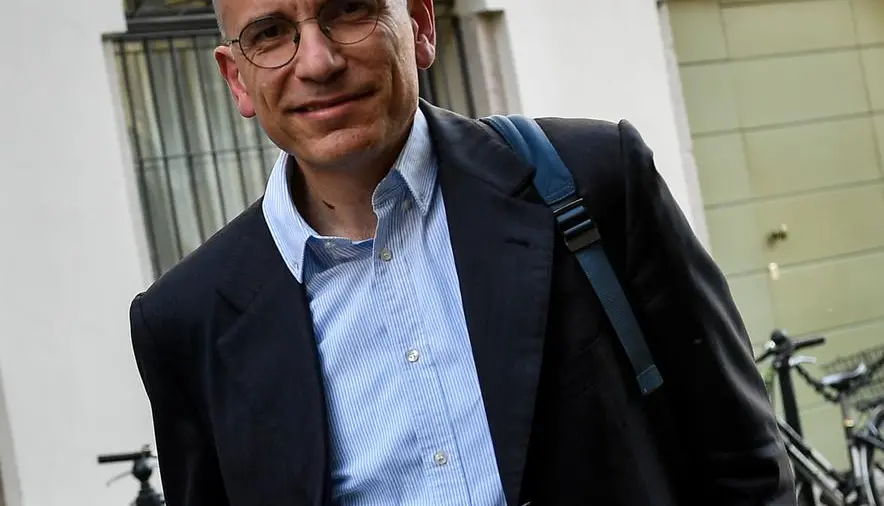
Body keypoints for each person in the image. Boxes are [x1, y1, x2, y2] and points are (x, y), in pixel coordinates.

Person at [129, 0, 797, 504]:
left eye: (350, 10)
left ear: (420, 23)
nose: (318, 62)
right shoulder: (186, 322)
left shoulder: (594, 181)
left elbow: (744, 464)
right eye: (270, 34)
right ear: (237, 79)